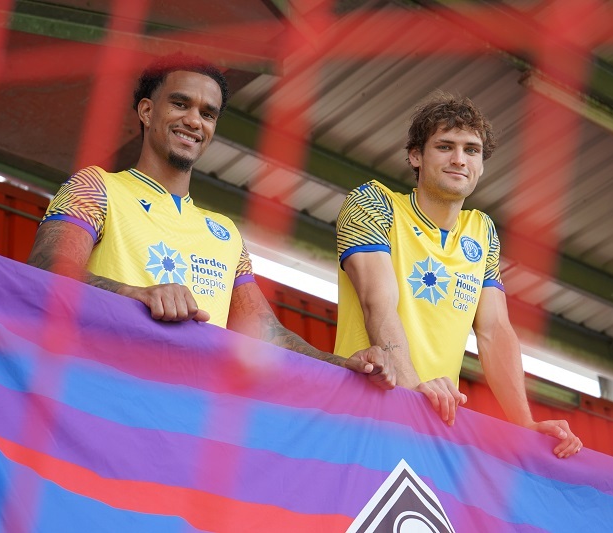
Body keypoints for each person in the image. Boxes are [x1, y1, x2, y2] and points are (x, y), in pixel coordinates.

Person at [27, 53, 393, 390]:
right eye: (180, 103)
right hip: (101, 391)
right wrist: (137, 295)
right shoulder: (96, 185)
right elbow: (46, 270)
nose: (194, 121)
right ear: (146, 111)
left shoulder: (226, 232)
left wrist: (343, 364)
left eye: (207, 113)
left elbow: (264, 334)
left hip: (191, 414)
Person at [334, 93, 582, 457]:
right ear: (415, 156)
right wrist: (412, 390)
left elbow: (495, 331)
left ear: (481, 165)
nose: (459, 160)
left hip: (431, 426)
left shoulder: (482, 231)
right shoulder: (374, 203)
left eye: (471, 150)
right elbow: (378, 304)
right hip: (360, 411)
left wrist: (524, 422)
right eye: (445, 146)